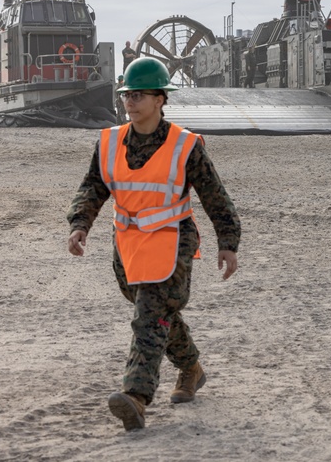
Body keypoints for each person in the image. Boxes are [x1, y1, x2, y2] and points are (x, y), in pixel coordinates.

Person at [66, 57, 241, 432]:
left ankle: (136, 397)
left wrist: (228, 243)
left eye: (140, 94)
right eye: (128, 93)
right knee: (158, 313)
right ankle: (191, 368)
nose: (131, 100)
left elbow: (215, 197)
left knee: (149, 315)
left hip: (172, 240)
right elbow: (93, 187)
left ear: (161, 98)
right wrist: (80, 224)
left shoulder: (185, 145)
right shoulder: (109, 141)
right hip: (128, 242)